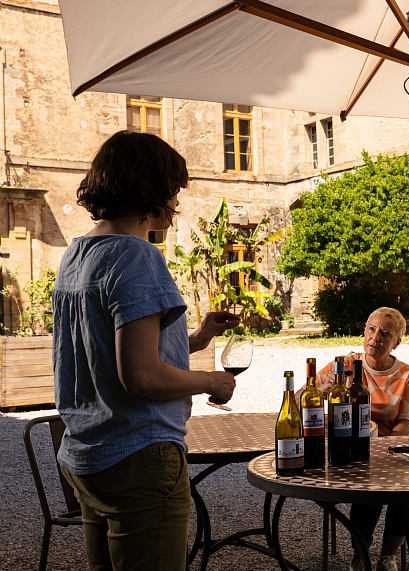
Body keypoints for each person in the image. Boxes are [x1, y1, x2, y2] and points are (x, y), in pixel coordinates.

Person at [52, 130, 240, 571]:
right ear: (149, 189)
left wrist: (198, 339)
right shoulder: (136, 256)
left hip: (86, 455)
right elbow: (141, 375)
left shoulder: (77, 255)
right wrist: (211, 382)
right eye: (173, 189)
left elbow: (107, 350)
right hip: (138, 455)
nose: (176, 202)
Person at [304, 307, 409, 571]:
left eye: (385, 333)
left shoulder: (407, 375)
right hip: (347, 449)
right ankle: (360, 554)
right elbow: (300, 397)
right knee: (370, 486)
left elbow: (404, 425)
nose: (375, 337)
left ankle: (388, 556)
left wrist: (384, 451)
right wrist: (320, 390)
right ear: (364, 331)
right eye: (372, 329)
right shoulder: (344, 365)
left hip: (386, 450)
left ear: (396, 342)